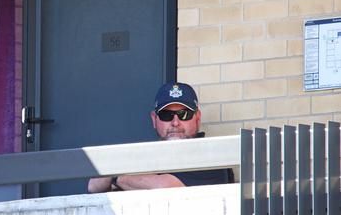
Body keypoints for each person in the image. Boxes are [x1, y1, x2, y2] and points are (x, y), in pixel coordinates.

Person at [87, 82, 234, 193]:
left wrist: (117, 177)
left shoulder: (212, 156)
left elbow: (166, 187)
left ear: (197, 118)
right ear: (154, 119)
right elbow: (93, 186)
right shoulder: (144, 156)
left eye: (184, 114)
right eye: (166, 115)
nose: (175, 123)